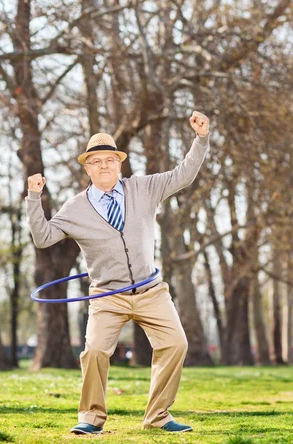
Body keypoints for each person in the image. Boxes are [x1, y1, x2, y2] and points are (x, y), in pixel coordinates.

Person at [25, 111, 210, 435]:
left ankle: (158, 416)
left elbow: (184, 174)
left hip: (150, 290)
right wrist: (33, 197)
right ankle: (91, 418)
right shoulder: (75, 208)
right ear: (87, 168)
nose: (104, 166)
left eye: (109, 159)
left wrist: (201, 138)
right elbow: (43, 238)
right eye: (95, 161)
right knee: (94, 351)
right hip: (106, 295)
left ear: (119, 163)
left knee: (176, 344)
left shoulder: (144, 188)